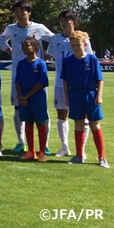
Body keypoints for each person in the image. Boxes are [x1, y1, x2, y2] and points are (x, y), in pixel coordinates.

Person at [0, 0, 53, 154]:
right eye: (16, 11)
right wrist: (10, 52)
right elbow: (0, 40)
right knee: (18, 107)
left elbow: (54, 39)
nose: (19, 14)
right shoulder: (11, 28)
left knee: (42, 109)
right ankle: (21, 142)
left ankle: (44, 144)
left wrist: (49, 54)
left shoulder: (38, 28)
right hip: (19, 72)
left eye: (22, 11)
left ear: (29, 12)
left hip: (36, 72)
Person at [46, 11, 92, 157]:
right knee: (61, 114)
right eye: (61, 20)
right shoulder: (55, 39)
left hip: (79, 84)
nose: (63, 22)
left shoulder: (83, 38)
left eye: (67, 20)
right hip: (61, 82)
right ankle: (64, 146)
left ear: (74, 22)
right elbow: (48, 55)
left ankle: (81, 150)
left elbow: (90, 59)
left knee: (83, 116)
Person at [62, 31, 109, 168]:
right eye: (73, 45)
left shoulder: (92, 59)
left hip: (90, 94)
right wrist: (67, 97)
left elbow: (100, 79)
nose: (76, 47)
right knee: (78, 125)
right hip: (75, 95)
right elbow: (65, 80)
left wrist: (99, 96)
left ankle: (101, 157)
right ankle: (79, 155)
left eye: (78, 45)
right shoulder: (68, 61)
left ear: (85, 44)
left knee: (95, 124)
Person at [15, 37, 49, 162]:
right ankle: (31, 151)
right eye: (24, 45)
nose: (24, 48)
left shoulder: (40, 64)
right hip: (23, 98)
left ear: (35, 48)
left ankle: (42, 152)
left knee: (40, 123)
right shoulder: (21, 64)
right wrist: (20, 96)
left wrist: (26, 96)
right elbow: (17, 81)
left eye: (27, 45)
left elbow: (41, 83)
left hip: (37, 98)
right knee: (28, 123)